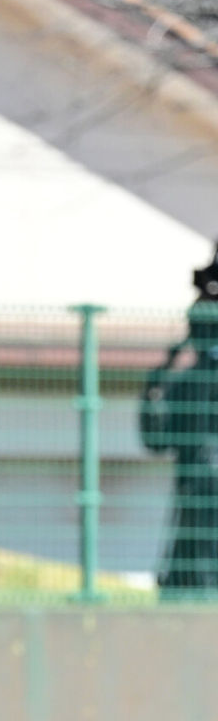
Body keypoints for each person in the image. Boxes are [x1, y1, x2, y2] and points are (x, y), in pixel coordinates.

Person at [140, 246, 218, 597]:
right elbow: (156, 439)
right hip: (194, 497)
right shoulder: (185, 384)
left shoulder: (185, 382)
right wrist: (153, 391)